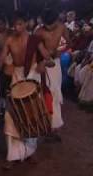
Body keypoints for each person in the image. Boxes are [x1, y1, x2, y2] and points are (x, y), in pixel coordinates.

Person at [0, 11, 51, 169]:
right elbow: (1, 60)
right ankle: (12, 155)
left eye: (20, 23)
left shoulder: (35, 40)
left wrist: (43, 63)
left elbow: (47, 57)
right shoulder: (9, 40)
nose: (17, 26)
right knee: (10, 116)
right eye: (15, 24)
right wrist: (1, 63)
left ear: (26, 23)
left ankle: (30, 151)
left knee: (30, 115)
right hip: (16, 77)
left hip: (32, 77)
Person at [35, 9, 70, 141]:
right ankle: (43, 125)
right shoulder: (39, 31)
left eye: (52, 24)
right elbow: (34, 49)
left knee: (55, 93)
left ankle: (53, 127)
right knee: (43, 94)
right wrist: (42, 62)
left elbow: (69, 43)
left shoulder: (62, 27)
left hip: (55, 65)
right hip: (42, 65)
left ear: (57, 20)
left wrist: (60, 52)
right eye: (46, 24)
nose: (49, 27)